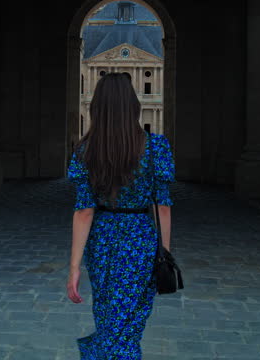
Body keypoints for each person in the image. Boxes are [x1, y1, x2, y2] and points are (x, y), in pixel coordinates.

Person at [66, 72, 175, 359]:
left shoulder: (86, 150)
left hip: (102, 241)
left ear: (96, 108)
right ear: (134, 106)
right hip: (141, 239)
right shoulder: (156, 147)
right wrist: (164, 254)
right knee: (127, 325)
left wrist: (74, 267)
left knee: (107, 318)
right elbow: (162, 206)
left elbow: (84, 211)